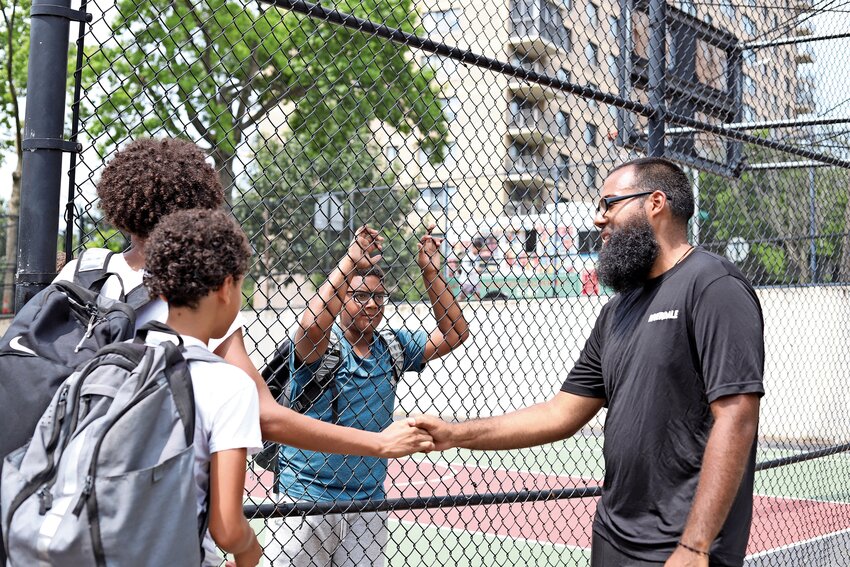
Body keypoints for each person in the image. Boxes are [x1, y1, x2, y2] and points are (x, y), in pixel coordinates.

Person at [416, 158, 764, 567]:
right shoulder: (616, 310)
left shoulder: (713, 285)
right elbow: (560, 412)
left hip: (684, 549)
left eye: (609, 204)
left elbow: (737, 418)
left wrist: (695, 546)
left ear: (655, 202)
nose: (600, 220)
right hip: (614, 537)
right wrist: (454, 434)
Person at [55, 137, 434, 464]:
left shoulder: (83, 269)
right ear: (199, 210)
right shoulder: (198, 294)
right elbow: (266, 415)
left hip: (58, 466)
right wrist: (380, 442)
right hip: (146, 489)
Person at [266, 224, 470, 566]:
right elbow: (311, 323)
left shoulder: (392, 346)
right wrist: (349, 261)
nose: (372, 304)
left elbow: (455, 333)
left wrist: (431, 272)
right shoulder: (322, 346)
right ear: (342, 298)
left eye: (379, 296)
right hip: (305, 498)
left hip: (368, 503)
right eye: (360, 296)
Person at [142, 208, 262, 566]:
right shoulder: (229, 384)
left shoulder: (118, 355)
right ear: (227, 287)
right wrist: (249, 551)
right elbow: (226, 528)